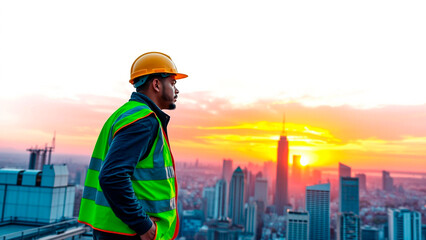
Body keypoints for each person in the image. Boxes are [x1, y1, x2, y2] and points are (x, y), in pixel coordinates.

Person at [78, 52, 187, 240]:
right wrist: (144, 226)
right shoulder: (143, 121)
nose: (176, 90)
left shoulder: (123, 114)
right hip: (130, 232)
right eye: (173, 83)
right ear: (156, 84)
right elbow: (113, 176)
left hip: (114, 229)